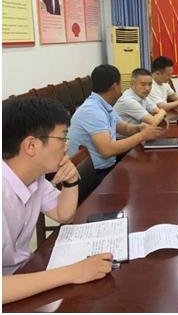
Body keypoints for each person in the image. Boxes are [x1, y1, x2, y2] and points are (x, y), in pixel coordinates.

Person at [2, 98, 112, 304]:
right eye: (62, 138)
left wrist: (71, 181)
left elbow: (63, 214)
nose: (67, 146)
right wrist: (73, 272)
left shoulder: (35, 177)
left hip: (24, 273)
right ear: (31, 146)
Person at [68, 64, 162, 182]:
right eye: (120, 84)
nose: (121, 89)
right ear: (114, 86)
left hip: (106, 166)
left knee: (149, 170)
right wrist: (142, 135)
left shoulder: (103, 104)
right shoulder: (92, 110)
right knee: (149, 174)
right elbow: (107, 150)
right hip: (93, 175)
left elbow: (124, 128)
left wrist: (139, 128)